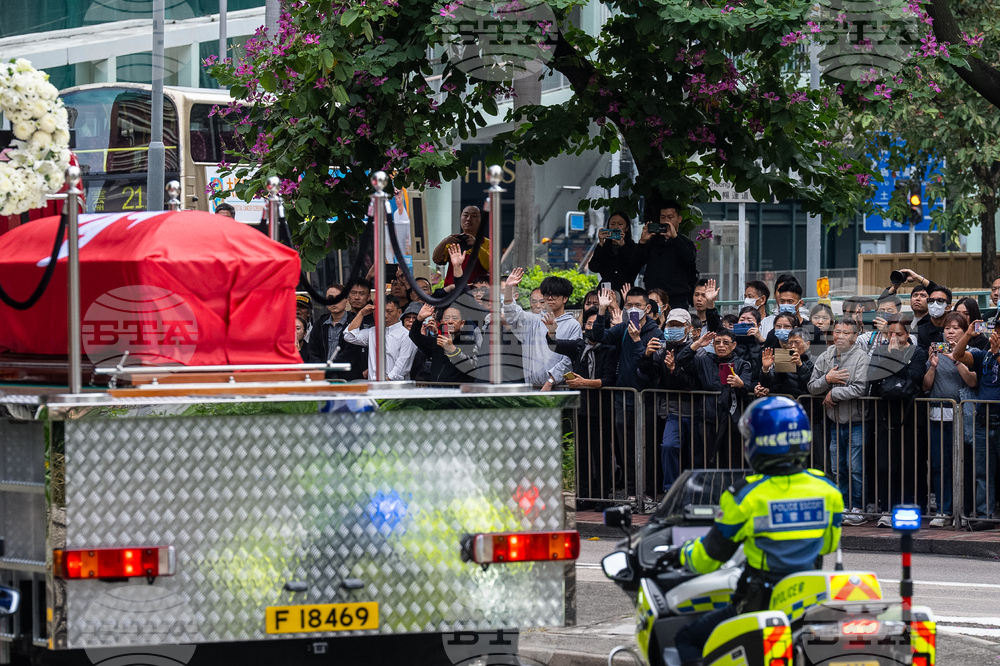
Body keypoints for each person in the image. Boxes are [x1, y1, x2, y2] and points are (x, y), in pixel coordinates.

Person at [670, 397, 843, 666]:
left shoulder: (744, 496)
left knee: (686, 638)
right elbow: (828, 546)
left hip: (759, 604)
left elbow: (709, 559)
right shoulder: (828, 489)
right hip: (806, 604)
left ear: (758, 444)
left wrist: (682, 554)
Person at [545, 307, 619, 500]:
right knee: (581, 453)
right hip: (579, 409)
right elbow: (555, 344)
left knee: (601, 454)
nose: (591, 328)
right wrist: (552, 331)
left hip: (601, 410)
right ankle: (584, 495)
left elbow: (609, 379)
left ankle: (602, 496)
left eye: (595, 324)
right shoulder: (579, 346)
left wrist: (584, 382)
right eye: (588, 323)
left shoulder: (610, 348)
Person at [808, 317, 869, 526]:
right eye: (837, 332)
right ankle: (842, 505)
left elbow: (861, 388)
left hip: (857, 420)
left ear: (855, 335)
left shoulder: (862, 357)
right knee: (838, 466)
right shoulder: (825, 356)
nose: (840, 336)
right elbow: (812, 386)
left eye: (846, 332)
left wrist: (834, 394)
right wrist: (827, 380)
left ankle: (858, 506)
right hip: (834, 421)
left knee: (856, 467)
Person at [867, 315, 925, 525]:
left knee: (907, 465)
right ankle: (886, 508)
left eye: (898, 334)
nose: (894, 337)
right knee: (884, 464)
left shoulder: (917, 352)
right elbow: (872, 374)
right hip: (885, 415)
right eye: (890, 333)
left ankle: (906, 508)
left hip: (909, 416)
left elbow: (915, 376)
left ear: (908, 334)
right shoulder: (881, 350)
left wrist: (894, 360)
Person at [923, 311, 978, 527]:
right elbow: (926, 386)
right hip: (938, 415)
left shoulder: (971, 353)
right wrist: (934, 365)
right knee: (940, 464)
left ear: (965, 332)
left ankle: (962, 511)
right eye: (947, 328)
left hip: (962, 416)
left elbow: (972, 382)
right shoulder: (935, 351)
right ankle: (944, 511)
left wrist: (956, 360)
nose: (951, 332)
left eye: (956, 328)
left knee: (962, 465)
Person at [638, 308, 700, 494]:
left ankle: (695, 493)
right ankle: (670, 491)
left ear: (688, 328)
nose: (673, 328)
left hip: (698, 411)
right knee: (669, 445)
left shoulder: (700, 350)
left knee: (696, 454)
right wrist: (647, 356)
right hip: (673, 411)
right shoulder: (660, 349)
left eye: (678, 325)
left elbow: (695, 383)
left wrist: (675, 369)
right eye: (670, 324)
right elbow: (648, 375)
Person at [675, 328, 753, 468]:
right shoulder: (705, 361)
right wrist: (697, 343)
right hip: (709, 418)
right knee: (710, 458)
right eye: (717, 342)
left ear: (734, 345)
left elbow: (747, 388)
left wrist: (740, 384)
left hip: (732, 420)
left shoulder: (742, 364)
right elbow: (680, 360)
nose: (721, 345)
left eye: (725, 342)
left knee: (733, 458)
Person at [951, 319, 1000, 530]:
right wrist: (968, 335)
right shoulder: (985, 354)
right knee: (983, 472)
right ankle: (984, 515)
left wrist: (998, 353)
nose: (996, 334)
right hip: (983, 421)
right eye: (996, 330)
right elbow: (958, 355)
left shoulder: (994, 353)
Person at [502, 269, 581, 389]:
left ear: (565, 298)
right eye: (546, 295)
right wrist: (508, 288)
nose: (549, 298)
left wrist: (550, 381)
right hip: (531, 387)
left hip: (558, 388)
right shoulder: (533, 320)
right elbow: (512, 315)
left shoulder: (572, 325)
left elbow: (569, 359)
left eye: (554, 295)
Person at [637, 200, 698, 311]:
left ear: (679, 219)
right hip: (654, 297)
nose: (666, 221)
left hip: (677, 298)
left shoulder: (685, 242)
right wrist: (642, 242)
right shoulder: (652, 241)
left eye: (670, 217)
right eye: (663, 217)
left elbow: (690, 259)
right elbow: (637, 263)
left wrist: (675, 237)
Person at [343, 295, 417, 381]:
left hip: (395, 388)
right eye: (381, 311)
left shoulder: (406, 335)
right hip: (374, 387)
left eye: (389, 311)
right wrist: (361, 313)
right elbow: (349, 336)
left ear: (399, 312)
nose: (385, 315)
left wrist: (384, 385)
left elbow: (401, 368)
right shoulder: (372, 332)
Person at [409, 303, 478, 383]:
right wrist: (419, 319)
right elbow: (414, 336)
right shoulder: (437, 342)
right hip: (436, 391)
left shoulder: (468, 343)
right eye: (447, 318)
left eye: (455, 318)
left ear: (462, 324)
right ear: (441, 323)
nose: (450, 321)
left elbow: (471, 366)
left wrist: (453, 350)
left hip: (457, 392)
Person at [432, 206, 490, 287]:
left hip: (476, 293)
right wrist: (445, 241)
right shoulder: (453, 241)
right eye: (465, 215)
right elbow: (437, 260)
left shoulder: (487, 243)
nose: (468, 219)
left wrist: (476, 246)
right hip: (452, 292)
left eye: (474, 216)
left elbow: (491, 266)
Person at [589, 211, 643, 291]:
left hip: (625, 292)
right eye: (612, 224)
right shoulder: (605, 247)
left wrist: (622, 246)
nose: (616, 227)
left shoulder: (633, 247)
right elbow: (594, 267)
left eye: (620, 224)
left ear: (627, 228)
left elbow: (634, 267)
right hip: (605, 291)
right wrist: (600, 243)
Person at [759, 327, 814, 398]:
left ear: (807, 344)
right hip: (786, 403)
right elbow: (769, 383)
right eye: (790, 343)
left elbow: (812, 385)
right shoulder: (783, 358)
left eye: (797, 343)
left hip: (807, 404)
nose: (793, 346)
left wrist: (800, 365)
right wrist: (766, 369)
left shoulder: (814, 361)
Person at [307, 283, 351, 365]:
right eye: (330, 298)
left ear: (347, 300)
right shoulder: (320, 323)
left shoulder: (353, 321)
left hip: (348, 374)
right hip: (323, 374)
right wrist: (322, 369)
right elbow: (312, 351)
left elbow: (352, 352)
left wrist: (332, 366)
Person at [916, 285, 953, 350]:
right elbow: (921, 355)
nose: (934, 304)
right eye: (931, 300)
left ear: (948, 307)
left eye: (940, 301)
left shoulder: (955, 330)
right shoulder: (919, 331)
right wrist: (948, 348)